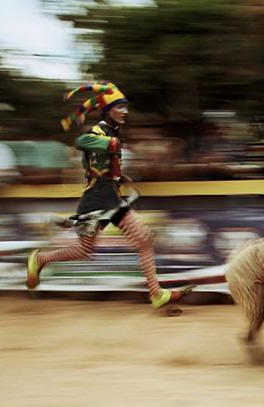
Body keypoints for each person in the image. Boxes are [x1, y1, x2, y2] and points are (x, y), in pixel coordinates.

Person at [25, 82, 193, 309]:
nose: (125, 111)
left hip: (107, 196)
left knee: (107, 246)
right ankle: (155, 293)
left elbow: (99, 164)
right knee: (117, 244)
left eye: (125, 107)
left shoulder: (114, 132)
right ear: (107, 110)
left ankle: (155, 293)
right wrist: (109, 143)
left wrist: (118, 177)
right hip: (98, 199)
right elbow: (80, 141)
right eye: (119, 107)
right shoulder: (100, 131)